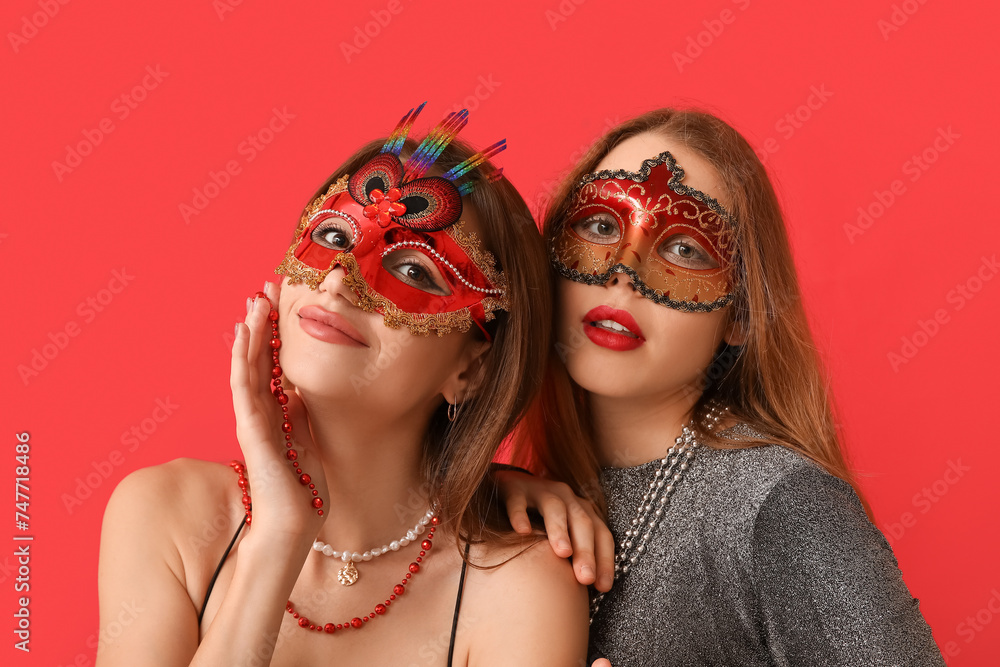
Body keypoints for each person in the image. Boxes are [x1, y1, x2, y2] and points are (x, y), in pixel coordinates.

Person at [96, 103, 588, 667]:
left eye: (411, 271)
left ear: (471, 369)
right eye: (333, 235)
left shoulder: (519, 588)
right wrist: (279, 537)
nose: (339, 278)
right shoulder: (166, 517)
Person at [498, 108, 946, 666]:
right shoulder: (525, 504)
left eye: (685, 248)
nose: (624, 271)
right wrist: (485, 491)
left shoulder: (778, 503)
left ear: (740, 316)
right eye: (602, 225)